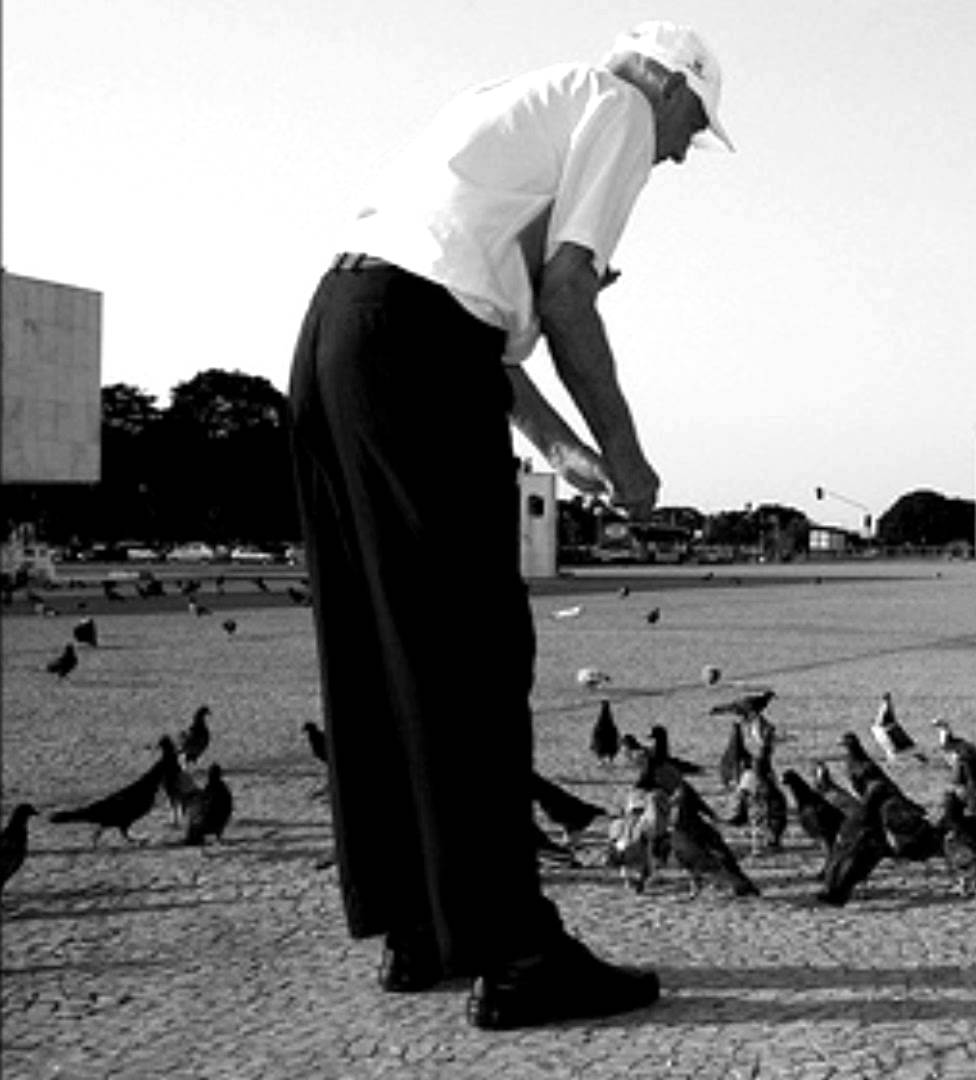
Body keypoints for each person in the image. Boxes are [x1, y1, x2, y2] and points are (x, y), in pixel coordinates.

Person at [286, 21, 733, 1031]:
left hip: (337, 337)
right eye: (690, 126)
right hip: (412, 349)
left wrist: (566, 452)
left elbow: (475, 319)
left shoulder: (507, 103)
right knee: (474, 650)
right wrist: (626, 454)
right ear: (666, 83)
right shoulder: (616, 105)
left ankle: (422, 928)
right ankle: (521, 953)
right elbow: (565, 297)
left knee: (383, 644)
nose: (677, 154)